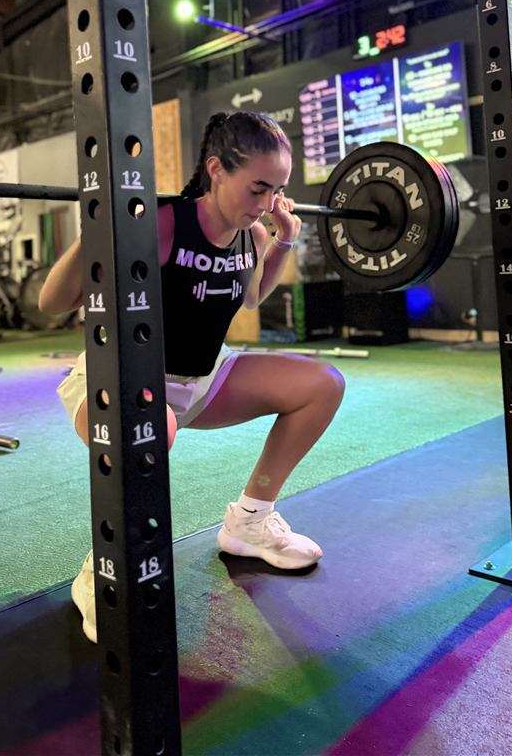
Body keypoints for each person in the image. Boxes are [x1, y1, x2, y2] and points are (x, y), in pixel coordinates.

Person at [39, 111, 345, 642]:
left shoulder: (250, 233)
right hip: (117, 379)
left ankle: (249, 523)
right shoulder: (161, 224)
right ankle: (105, 568)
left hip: (202, 380)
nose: (268, 202)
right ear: (216, 170)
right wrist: (98, 228)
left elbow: (249, 296)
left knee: (323, 385)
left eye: (277, 190)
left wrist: (284, 240)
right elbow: (52, 303)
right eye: (258, 188)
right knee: (156, 425)